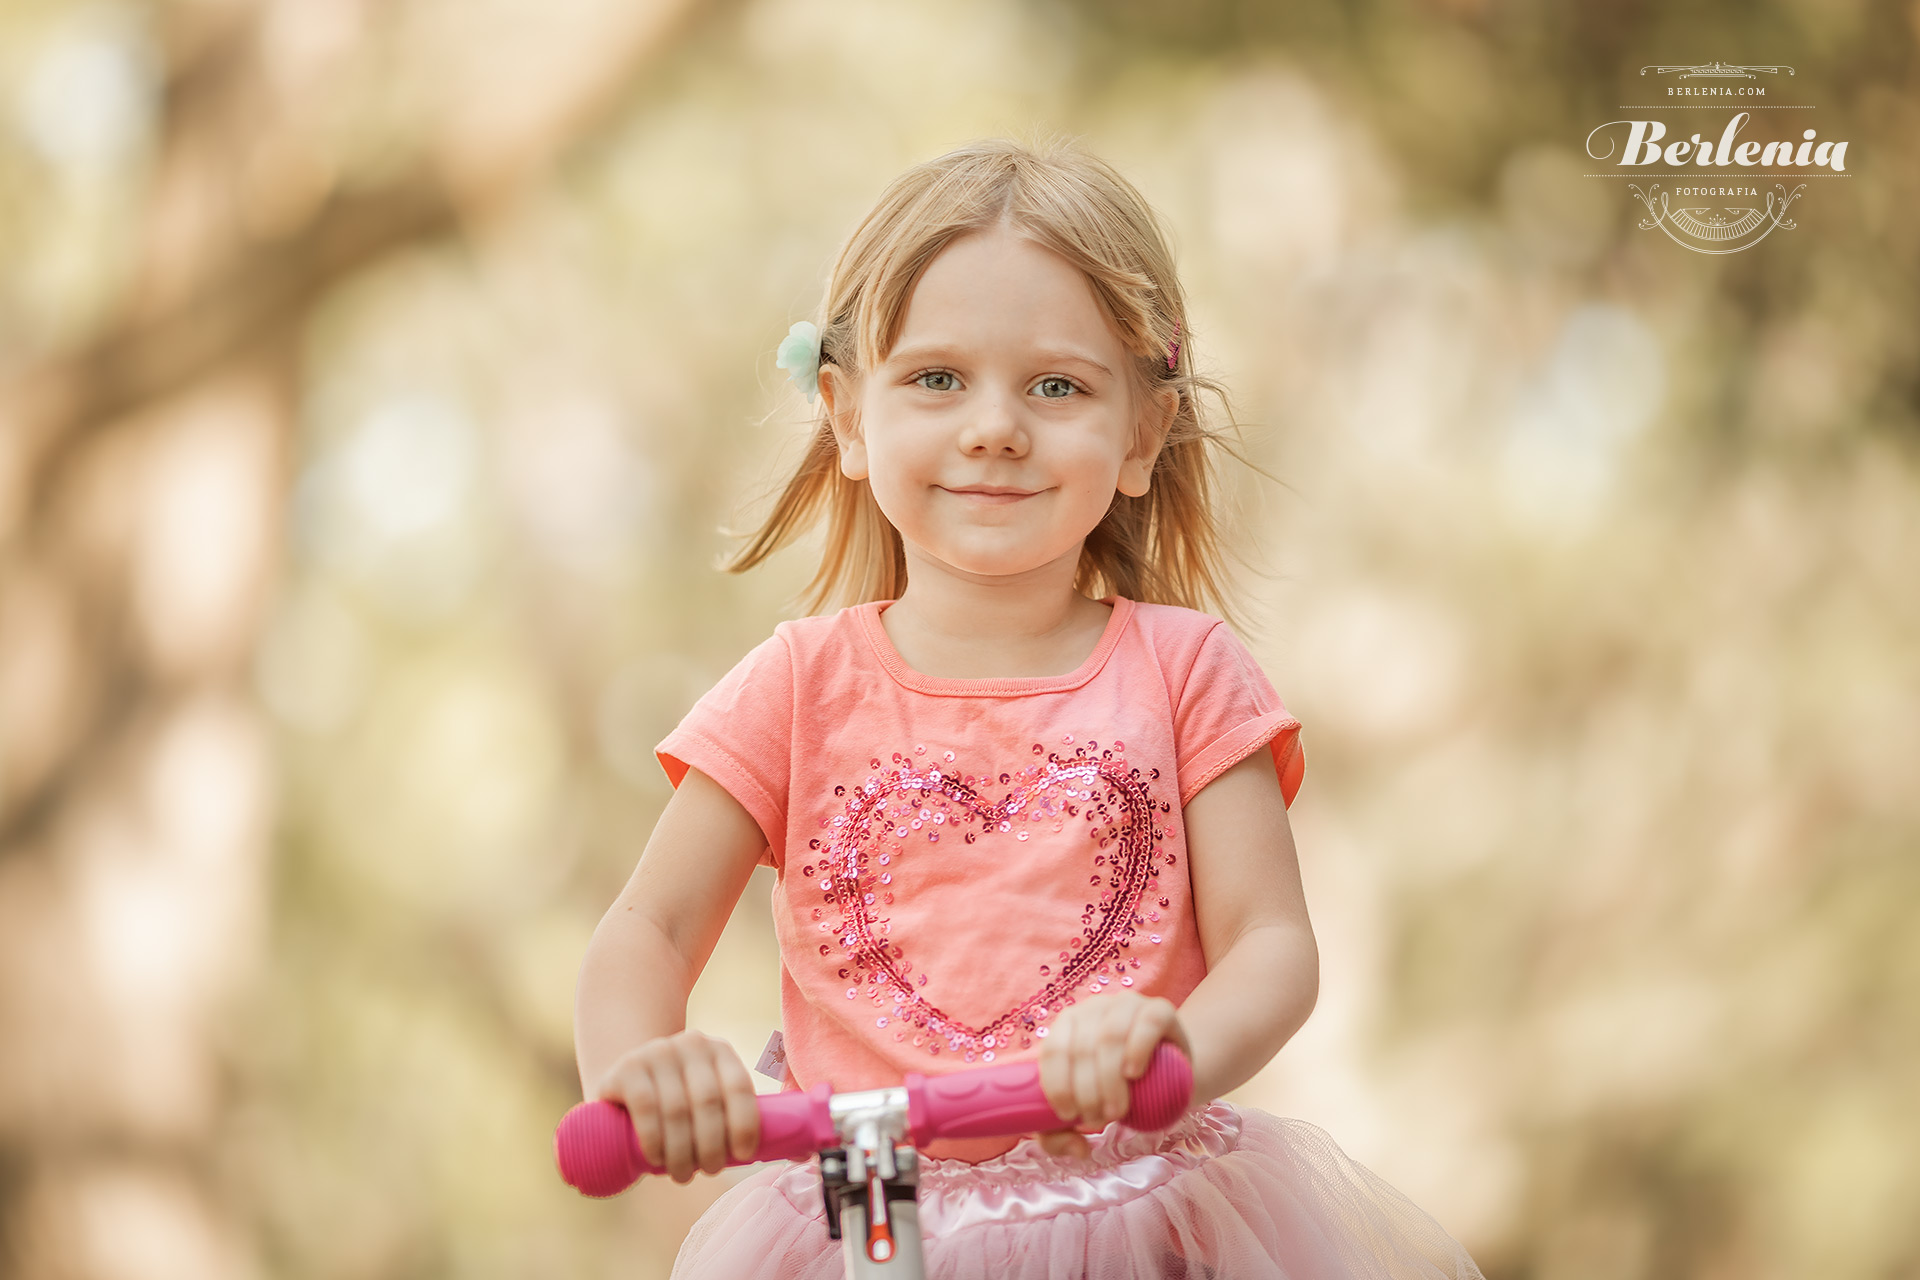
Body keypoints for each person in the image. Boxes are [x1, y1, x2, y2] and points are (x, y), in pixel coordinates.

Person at [573, 136, 1485, 1279]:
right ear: (848, 417)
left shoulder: (1187, 671)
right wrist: (640, 1067)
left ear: (1142, 434)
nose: (995, 424)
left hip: (1141, 1209)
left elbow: (1273, 941)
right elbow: (644, 929)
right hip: (870, 1216)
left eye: (1056, 384)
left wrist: (1172, 1052)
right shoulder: (796, 685)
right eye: (937, 377)